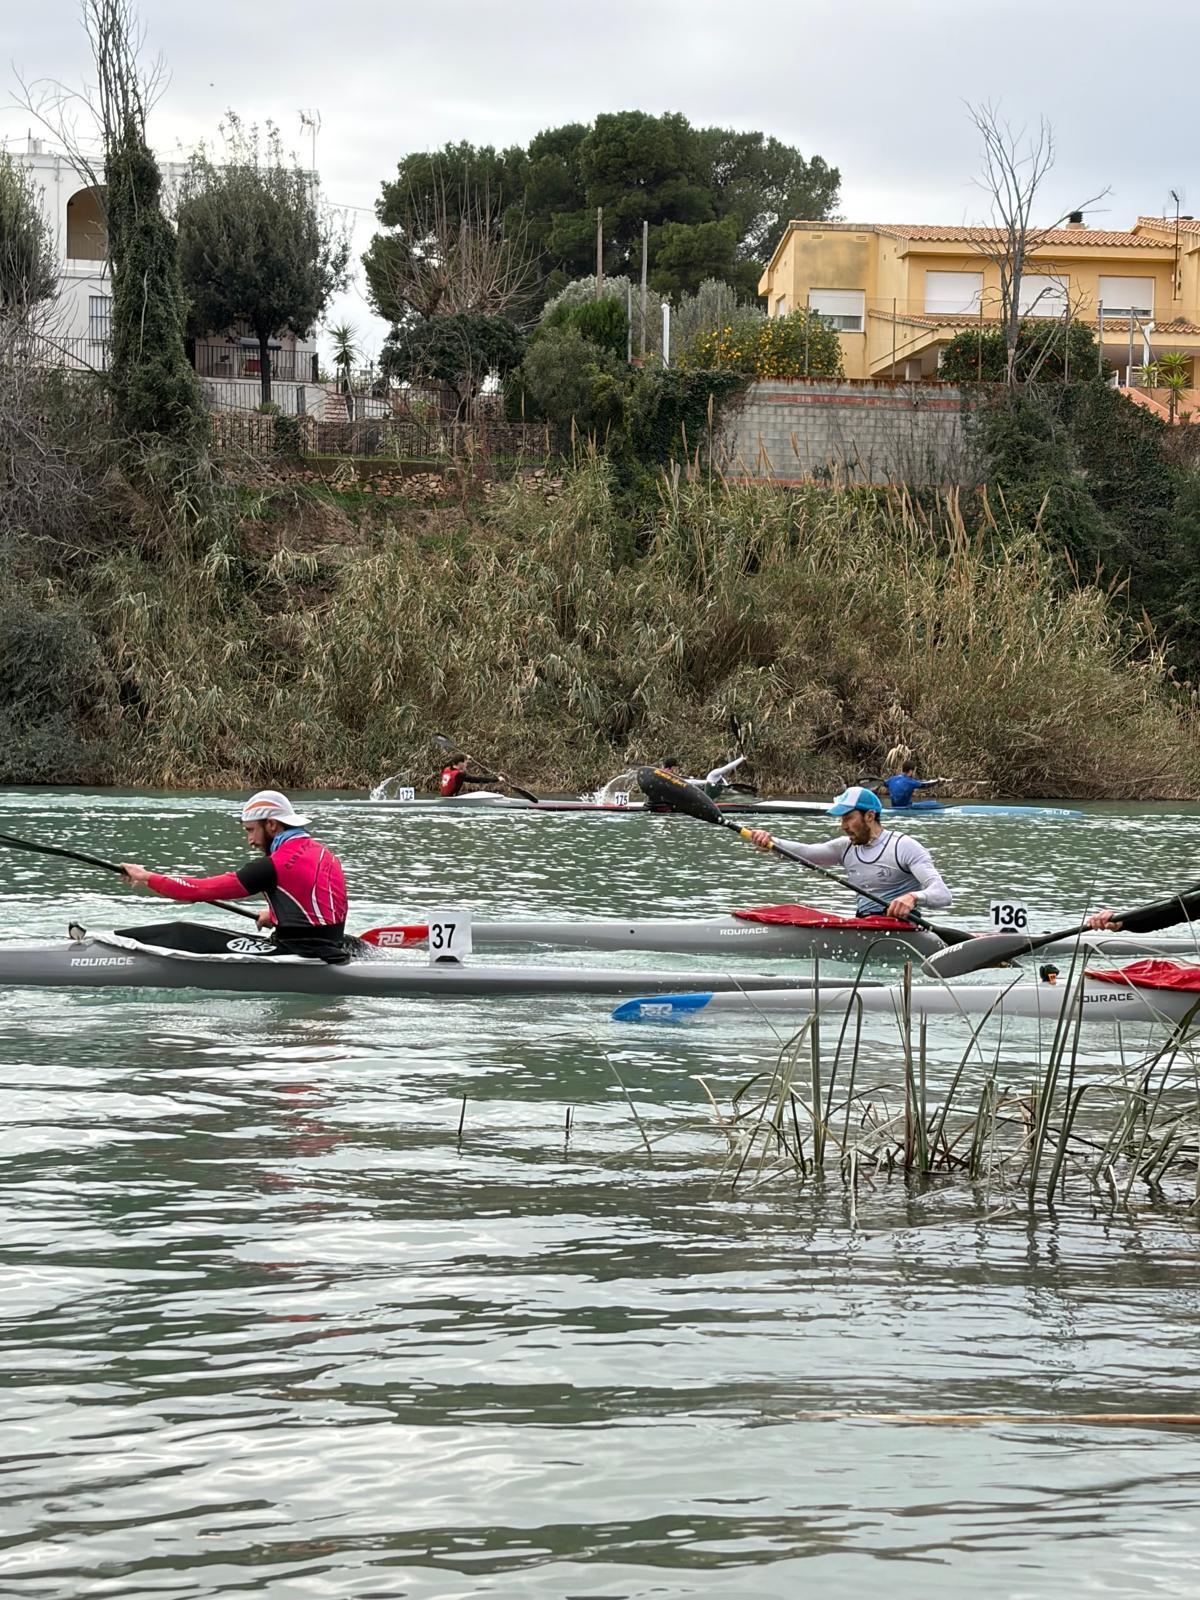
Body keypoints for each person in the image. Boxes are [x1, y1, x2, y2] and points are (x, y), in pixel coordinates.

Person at [121, 789, 349, 962]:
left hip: (301, 952)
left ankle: (108, 946)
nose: (250, 841)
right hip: (331, 946)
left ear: (271, 824)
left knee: (180, 931)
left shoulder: (273, 866)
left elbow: (196, 891)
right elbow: (319, 902)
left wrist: (146, 877)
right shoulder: (325, 854)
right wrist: (276, 914)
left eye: (251, 830)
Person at [747, 784, 953, 921]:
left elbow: (943, 895)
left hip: (904, 927)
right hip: (864, 922)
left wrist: (913, 897)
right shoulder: (845, 847)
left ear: (870, 816)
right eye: (841, 819)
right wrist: (772, 842)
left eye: (848, 818)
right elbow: (806, 853)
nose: (843, 826)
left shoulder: (903, 846)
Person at [883, 761, 949, 810]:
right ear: (911, 771)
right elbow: (926, 785)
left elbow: (884, 783)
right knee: (934, 803)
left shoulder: (891, 779)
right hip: (906, 807)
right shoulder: (911, 782)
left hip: (894, 807)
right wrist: (938, 780)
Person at [440, 757, 504, 797]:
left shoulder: (446, 769)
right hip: (451, 799)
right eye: (465, 763)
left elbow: (452, 762)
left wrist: (466, 758)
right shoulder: (459, 775)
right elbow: (476, 780)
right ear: (460, 763)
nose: (466, 765)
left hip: (444, 797)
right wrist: (496, 779)